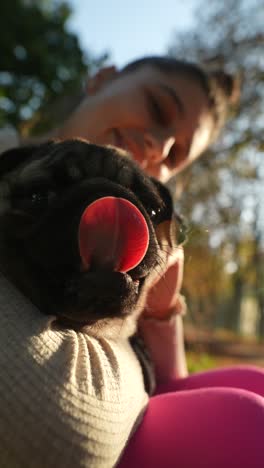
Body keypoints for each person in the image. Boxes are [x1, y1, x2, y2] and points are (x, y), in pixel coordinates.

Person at [1, 56, 264, 468]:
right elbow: (53, 422)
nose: (158, 148)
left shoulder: (138, 238)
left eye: (175, 156)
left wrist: (162, 311)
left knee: (254, 385)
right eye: (157, 108)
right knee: (250, 425)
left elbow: (171, 384)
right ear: (102, 79)